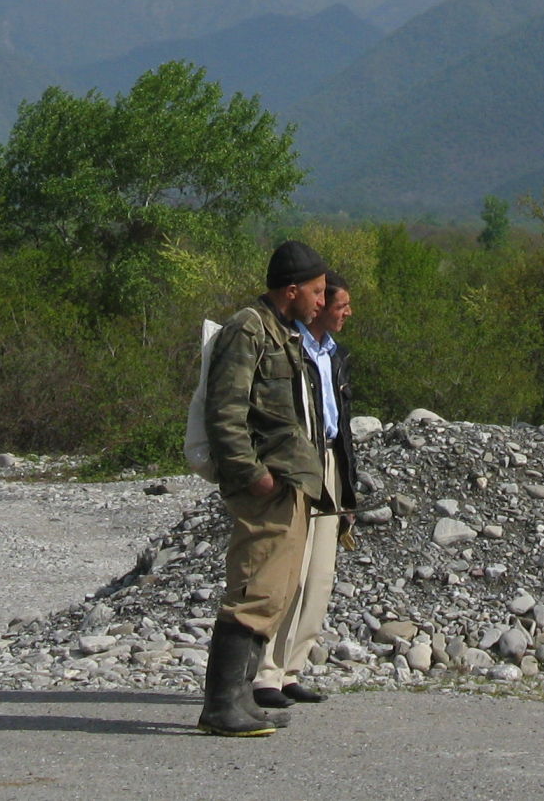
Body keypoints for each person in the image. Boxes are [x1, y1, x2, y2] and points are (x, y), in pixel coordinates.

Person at [196, 239, 330, 737]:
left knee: (274, 590)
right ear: (291, 290)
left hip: (288, 481)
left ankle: (241, 698)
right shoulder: (248, 329)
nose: (322, 301)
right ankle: (220, 706)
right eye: (316, 291)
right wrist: (253, 475)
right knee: (253, 588)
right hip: (264, 486)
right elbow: (224, 412)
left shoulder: (283, 332)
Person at [254, 271, 355, 709]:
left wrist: (347, 490)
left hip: (330, 461)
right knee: (288, 570)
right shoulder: (288, 347)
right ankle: (265, 673)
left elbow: (341, 424)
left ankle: (291, 668)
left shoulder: (335, 355)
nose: (347, 313)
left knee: (319, 574)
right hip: (299, 463)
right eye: (340, 305)